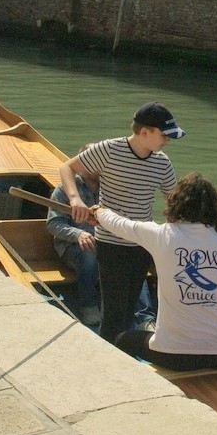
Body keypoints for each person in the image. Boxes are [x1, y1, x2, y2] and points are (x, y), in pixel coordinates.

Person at [59, 101, 183, 342]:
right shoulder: (109, 150)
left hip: (142, 246)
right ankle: (111, 354)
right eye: (164, 135)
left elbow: (176, 201)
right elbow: (67, 167)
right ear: (145, 132)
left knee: (128, 310)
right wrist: (75, 200)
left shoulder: (162, 162)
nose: (167, 141)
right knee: (115, 313)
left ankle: (122, 350)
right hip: (110, 243)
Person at [94, 173, 217, 371]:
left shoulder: (162, 234)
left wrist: (98, 212)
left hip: (176, 356)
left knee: (122, 339)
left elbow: (121, 225)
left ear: (176, 203)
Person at [45, 159, 103, 327]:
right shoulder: (64, 189)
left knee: (133, 253)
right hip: (72, 247)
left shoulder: (109, 188)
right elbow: (53, 224)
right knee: (87, 251)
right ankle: (89, 306)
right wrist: (78, 234)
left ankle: (143, 315)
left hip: (103, 244)